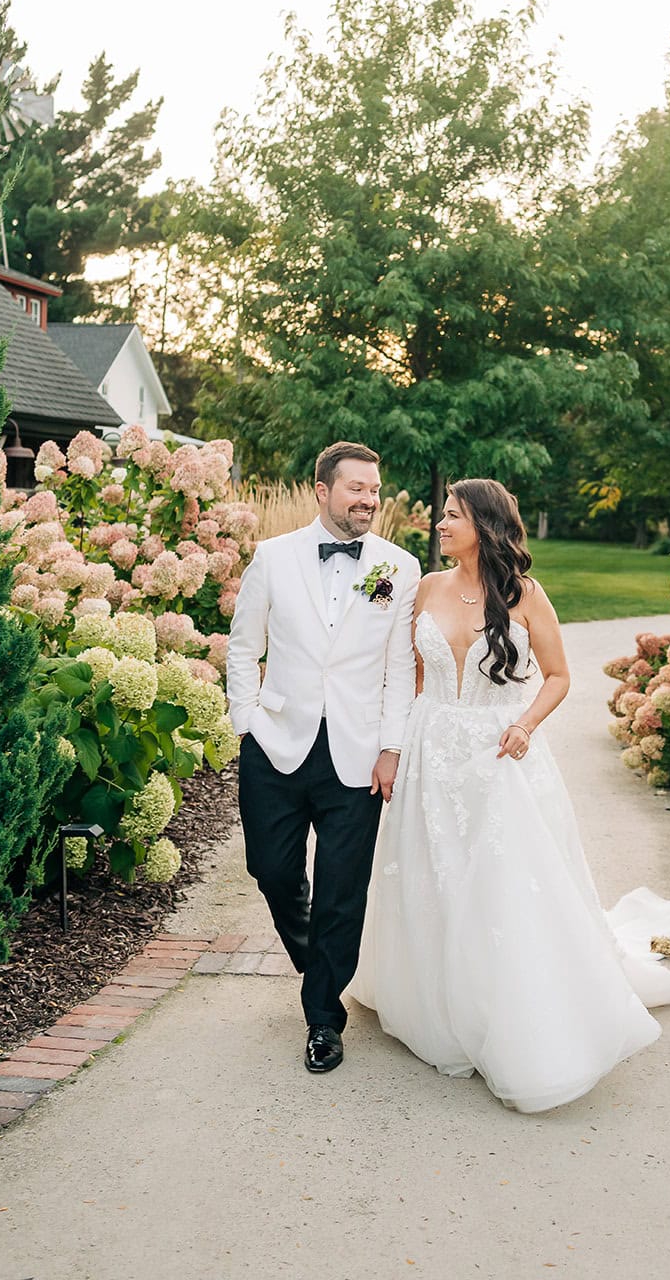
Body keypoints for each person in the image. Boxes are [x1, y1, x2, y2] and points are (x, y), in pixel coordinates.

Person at [351, 478, 670, 1113]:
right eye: (439, 516)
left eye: (451, 516)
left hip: (497, 754)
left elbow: (561, 675)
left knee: (500, 879)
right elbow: (379, 640)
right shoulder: (420, 586)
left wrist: (525, 724)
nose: (438, 525)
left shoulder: (525, 595)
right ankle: (435, 999)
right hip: (432, 748)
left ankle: (507, 1008)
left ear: (484, 525)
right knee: (433, 873)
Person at [226, 442, 421, 1075]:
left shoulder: (397, 566)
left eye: (374, 488)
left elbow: (397, 669)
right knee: (272, 871)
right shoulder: (272, 558)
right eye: (356, 488)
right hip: (277, 744)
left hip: (358, 755)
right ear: (322, 490)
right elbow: (241, 647)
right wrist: (247, 723)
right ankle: (320, 963)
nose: (368, 499)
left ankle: (323, 1017)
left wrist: (391, 748)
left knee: (343, 891)